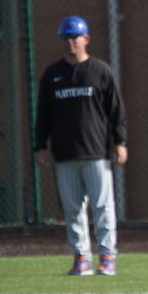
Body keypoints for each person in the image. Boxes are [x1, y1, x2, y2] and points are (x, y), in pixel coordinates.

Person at [34, 16, 128, 276]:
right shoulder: (52, 74)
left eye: (74, 36)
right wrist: (40, 146)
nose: (69, 42)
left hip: (97, 152)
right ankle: (81, 257)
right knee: (73, 208)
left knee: (102, 205)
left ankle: (107, 256)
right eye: (65, 37)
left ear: (86, 39)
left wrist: (120, 142)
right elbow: (43, 114)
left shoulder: (100, 71)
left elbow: (116, 111)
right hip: (64, 153)